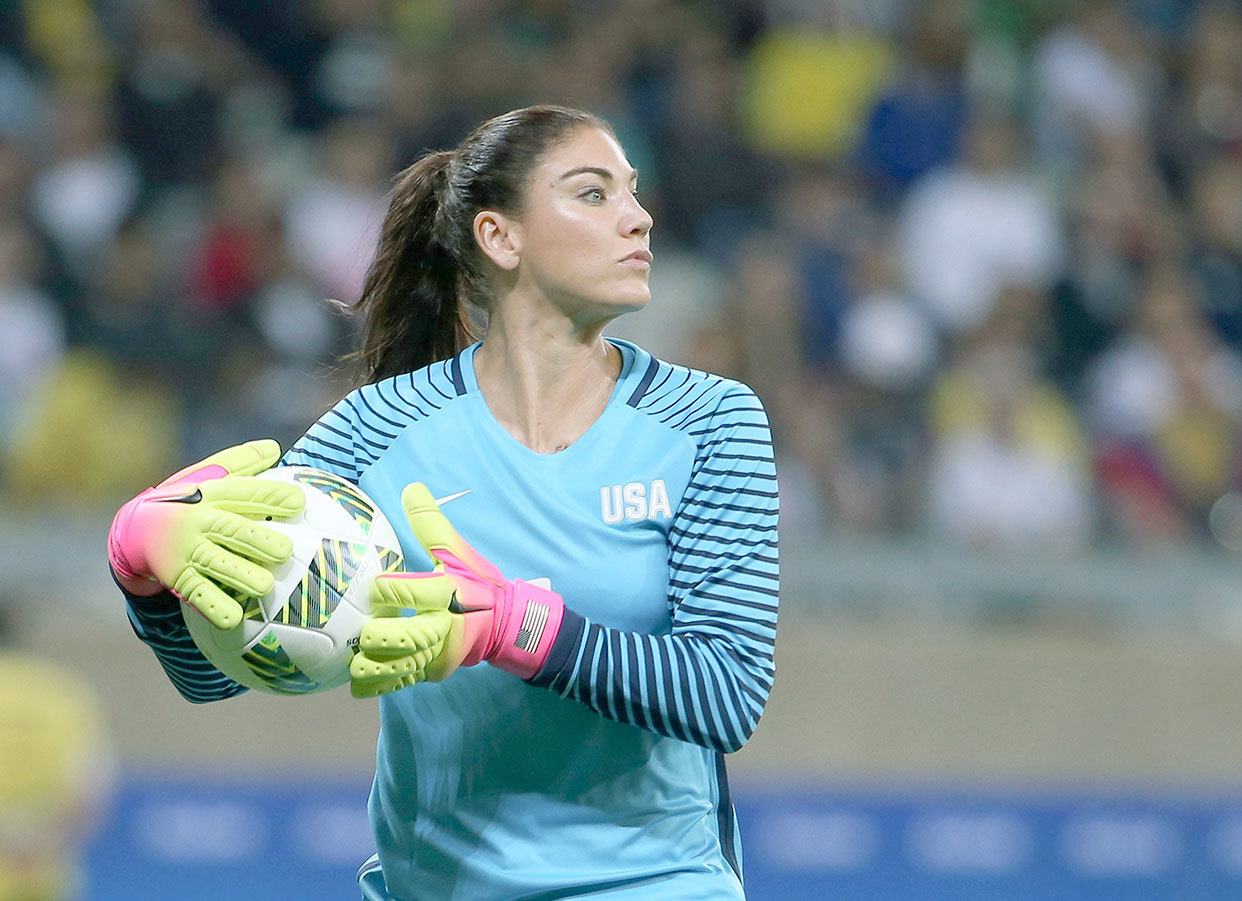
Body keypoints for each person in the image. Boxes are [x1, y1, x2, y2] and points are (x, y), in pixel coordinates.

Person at [107, 105, 780, 900]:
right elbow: (222, 674)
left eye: (633, 192)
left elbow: (726, 691)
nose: (640, 218)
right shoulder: (376, 427)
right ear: (501, 237)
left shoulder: (709, 420)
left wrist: (517, 627)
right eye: (594, 194)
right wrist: (145, 572)